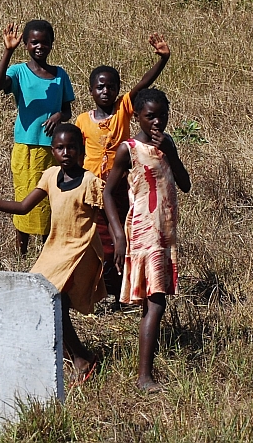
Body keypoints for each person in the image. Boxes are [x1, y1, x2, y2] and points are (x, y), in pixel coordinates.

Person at [0, 124, 105, 384]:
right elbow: (24, 207)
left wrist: (120, 247)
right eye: (60, 148)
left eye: (72, 147)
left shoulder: (91, 182)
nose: (66, 152)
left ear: (81, 150)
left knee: (54, 301)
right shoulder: (49, 176)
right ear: (53, 151)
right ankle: (77, 356)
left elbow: (110, 215)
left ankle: (81, 360)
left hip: (80, 251)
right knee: (43, 300)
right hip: (55, 250)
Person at [103, 88, 191, 392]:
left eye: (162, 115)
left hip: (165, 232)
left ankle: (145, 370)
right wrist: (118, 235)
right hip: (145, 231)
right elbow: (107, 194)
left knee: (155, 302)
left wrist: (171, 151)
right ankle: (144, 376)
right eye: (150, 116)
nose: (157, 121)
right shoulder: (129, 149)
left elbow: (185, 184)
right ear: (137, 116)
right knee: (156, 302)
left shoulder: (168, 144)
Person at [75, 33, 171, 305]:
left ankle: (122, 290)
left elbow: (143, 85)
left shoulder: (123, 109)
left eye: (111, 86)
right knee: (98, 240)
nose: (106, 91)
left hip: (120, 186)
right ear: (91, 90)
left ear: (118, 90)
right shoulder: (83, 120)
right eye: (100, 87)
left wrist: (162, 60)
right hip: (92, 189)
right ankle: (101, 290)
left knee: (124, 237)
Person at [0, 20, 75, 255]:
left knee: (50, 199)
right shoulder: (18, 71)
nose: (39, 46)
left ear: (52, 44)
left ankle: (47, 252)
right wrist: (7, 51)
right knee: (25, 197)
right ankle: (22, 252)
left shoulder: (60, 75)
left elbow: (67, 109)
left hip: (54, 149)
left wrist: (59, 115)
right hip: (27, 148)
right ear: (26, 44)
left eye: (44, 42)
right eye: (34, 42)